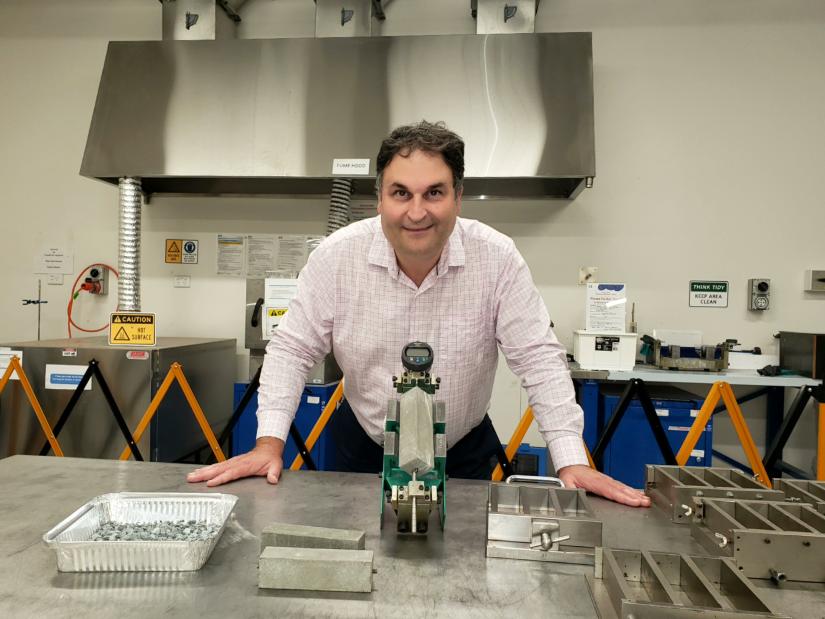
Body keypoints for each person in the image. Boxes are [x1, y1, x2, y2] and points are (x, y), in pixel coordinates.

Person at [188, 121, 650, 507]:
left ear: (458, 196)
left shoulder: (498, 259)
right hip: (361, 448)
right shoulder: (336, 257)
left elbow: (539, 360)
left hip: (464, 451)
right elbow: (291, 350)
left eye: (434, 193)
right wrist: (268, 442)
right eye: (400, 193)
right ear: (380, 197)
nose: (416, 212)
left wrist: (571, 460)